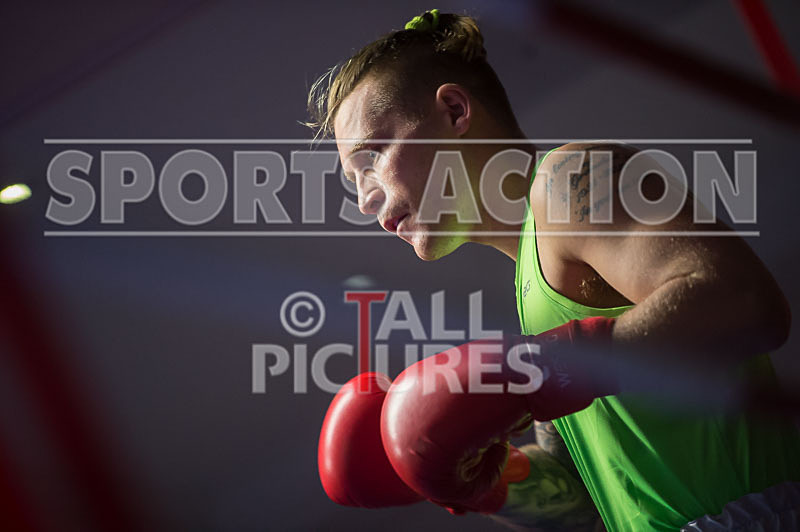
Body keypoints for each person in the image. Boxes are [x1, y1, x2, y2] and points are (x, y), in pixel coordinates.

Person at [309, 9, 800, 531]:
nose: (364, 199)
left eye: (372, 158)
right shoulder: (534, 284)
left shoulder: (569, 180)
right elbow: (585, 505)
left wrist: (544, 370)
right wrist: (480, 481)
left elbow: (746, 303)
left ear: (454, 109)